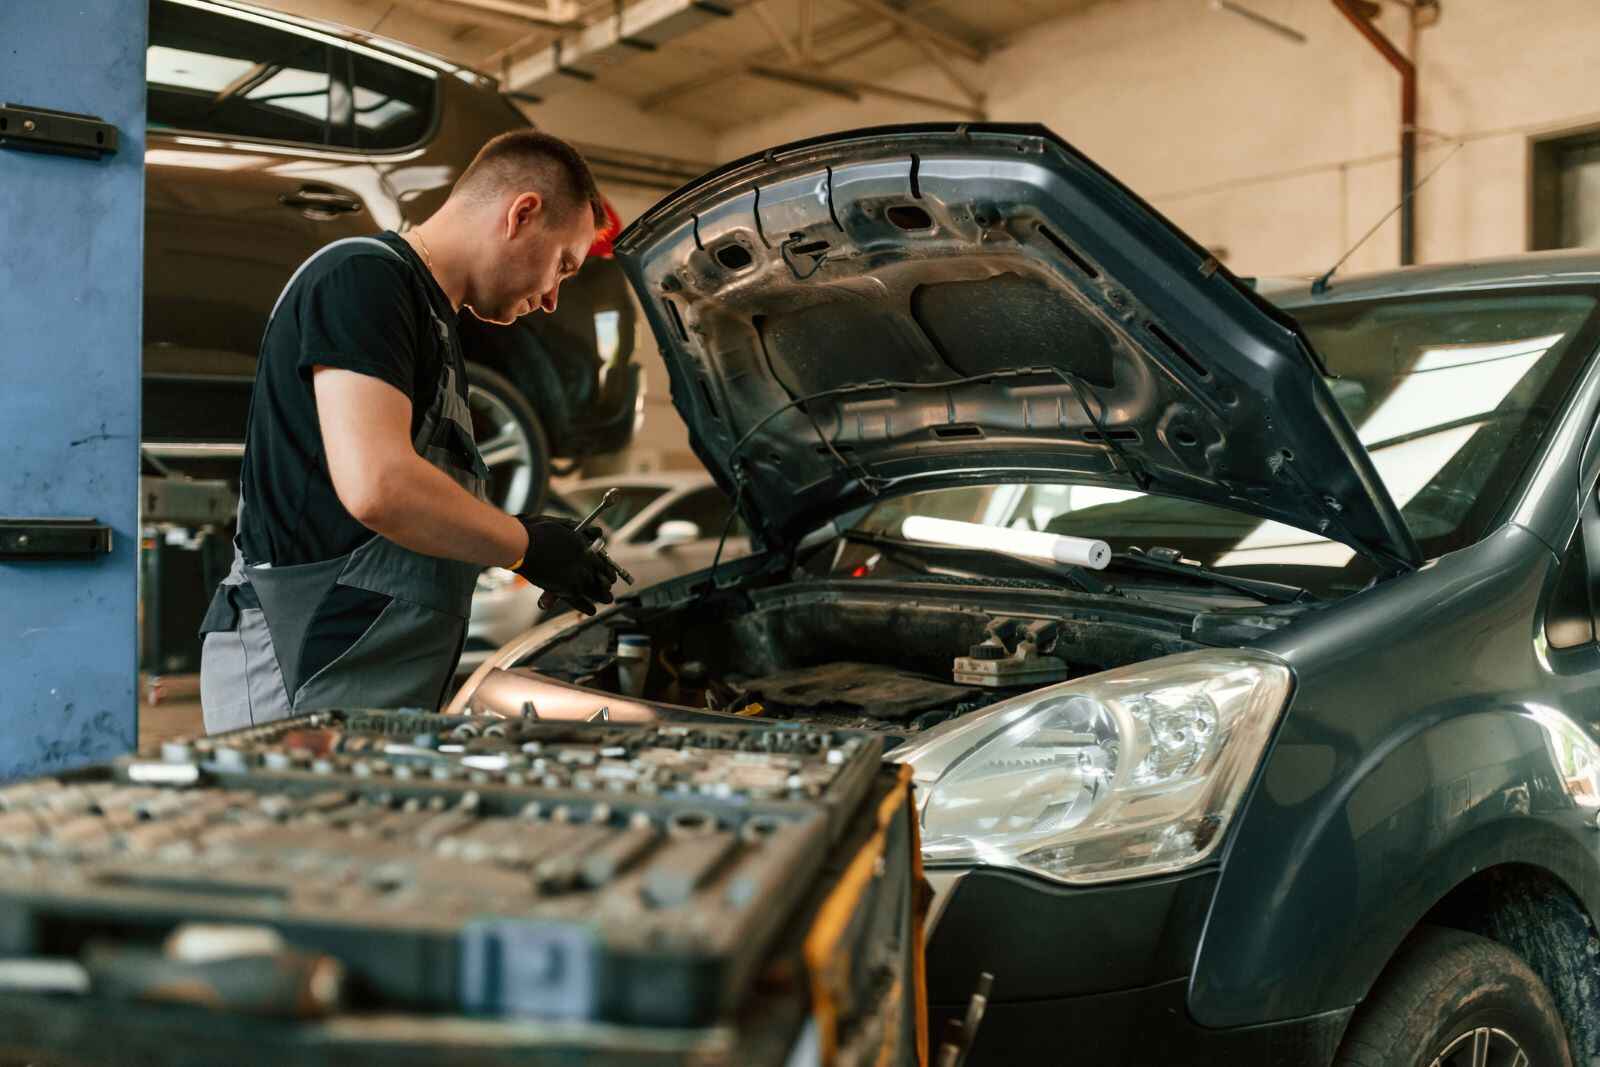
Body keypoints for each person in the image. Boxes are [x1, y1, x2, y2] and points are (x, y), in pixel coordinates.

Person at [197, 130, 620, 733]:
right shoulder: (364, 278)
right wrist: (522, 545)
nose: (553, 297)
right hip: (302, 680)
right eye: (563, 265)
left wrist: (525, 539)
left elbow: (412, 506)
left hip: (369, 689)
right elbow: (379, 485)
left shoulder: (433, 325)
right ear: (522, 213)